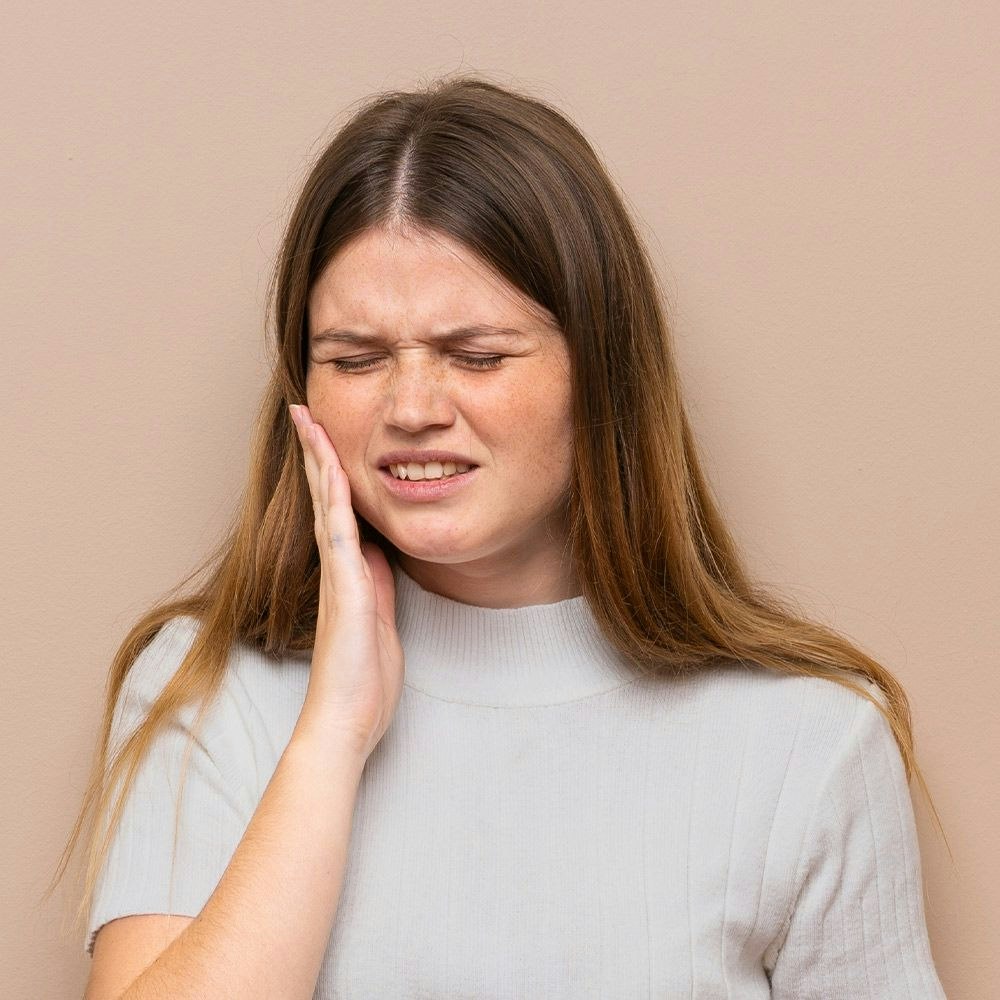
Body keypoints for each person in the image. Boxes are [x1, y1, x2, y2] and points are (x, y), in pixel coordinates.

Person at [53, 74, 948, 998]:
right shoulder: (208, 688)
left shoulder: (810, 742)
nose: (411, 409)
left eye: (476, 356)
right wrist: (331, 736)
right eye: (355, 360)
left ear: (599, 371)